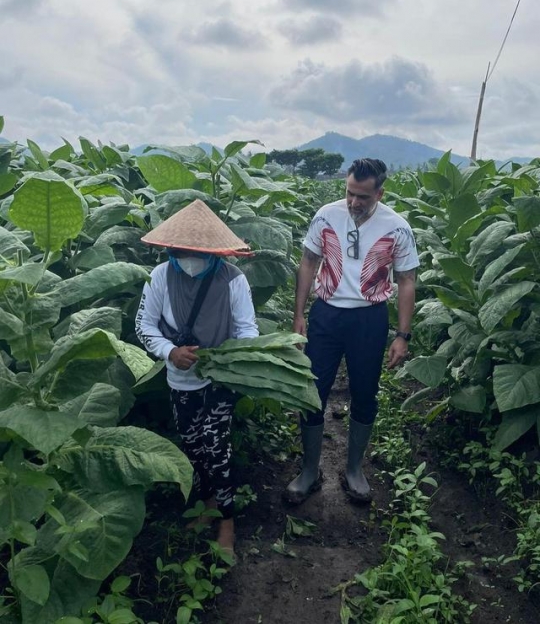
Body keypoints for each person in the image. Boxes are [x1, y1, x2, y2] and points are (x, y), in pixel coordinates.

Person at [284, 158, 419, 505]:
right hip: (326, 315)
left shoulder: (397, 227)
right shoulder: (326, 215)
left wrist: (402, 335)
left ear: (380, 193)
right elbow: (308, 262)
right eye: (349, 193)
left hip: (369, 319)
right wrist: (299, 315)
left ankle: (354, 469)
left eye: (363, 197)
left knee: (364, 393)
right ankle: (310, 470)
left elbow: (406, 280)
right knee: (312, 392)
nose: (354, 202)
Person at [135, 199, 258, 556]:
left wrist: (226, 357)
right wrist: (171, 352)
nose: (188, 257)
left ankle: (228, 522)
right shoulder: (160, 277)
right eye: (180, 250)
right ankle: (208, 504)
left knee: (215, 443)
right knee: (191, 444)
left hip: (221, 378)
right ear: (171, 249)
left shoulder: (233, 280)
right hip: (180, 377)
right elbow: (143, 326)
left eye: (196, 251)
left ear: (213, 252)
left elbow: (247, 329)